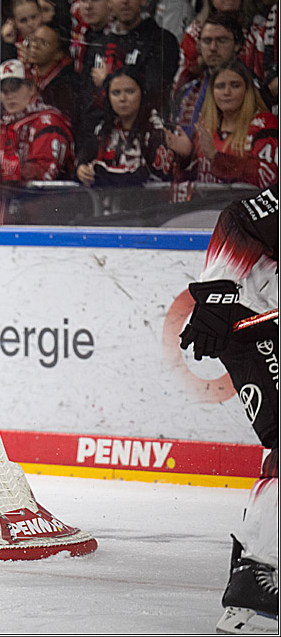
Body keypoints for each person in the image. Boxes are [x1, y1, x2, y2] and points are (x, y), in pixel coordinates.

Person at [178, 183, 278, 635]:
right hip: (250, 318)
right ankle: (257, 576)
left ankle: (256, 569)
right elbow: (241, 217)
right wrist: (218, 293)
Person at [165, 59, 279, 202]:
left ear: (248, 90)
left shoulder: (265, 124)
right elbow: (186, 186)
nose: (227, 92)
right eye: (220, 86)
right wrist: (185, 157)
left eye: (235, 85)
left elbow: (269, 176)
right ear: (212, 92)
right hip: (204, 210)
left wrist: (216, 158)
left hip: (246, 210)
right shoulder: (205, 126)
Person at [76, 67, 175, 188]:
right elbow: (84, 155)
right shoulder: (103, 128)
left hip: (146, 198)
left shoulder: (157, 130)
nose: (122, 99)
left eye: (130, 91)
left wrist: (100, 173)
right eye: (116, 93)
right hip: (105, 199)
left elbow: (152, 177)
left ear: (142, 93)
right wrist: (81, 170)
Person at [0, 59, 74, 185]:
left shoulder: (49, 122)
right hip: (5, 196)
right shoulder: (1, 124)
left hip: (48, 197)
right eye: (4, 90)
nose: (9, 95)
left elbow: (42, 174)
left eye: (15, 88)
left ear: (32, 88)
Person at [171, 14, 243, 138]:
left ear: (237, 45)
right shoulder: (187, 91)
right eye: (207, 41)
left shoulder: (250, 87)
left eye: (221, 40)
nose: (213, 48)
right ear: (199, 46)